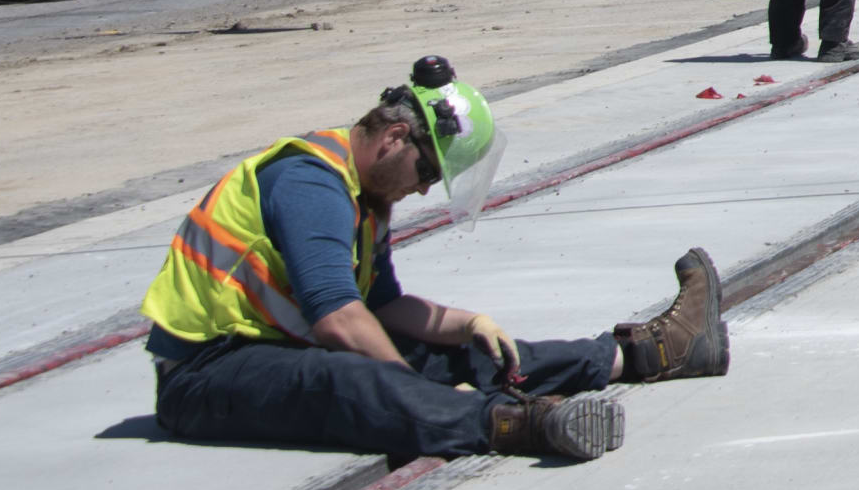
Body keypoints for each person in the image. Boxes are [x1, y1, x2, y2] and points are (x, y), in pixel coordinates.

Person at [139, 58, 727, 465]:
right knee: (356, 377)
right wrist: (406, 381)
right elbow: (337, 318)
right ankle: (513, 424)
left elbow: (383, 306)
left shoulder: (363, 197)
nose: (423, 191)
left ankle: (644, 353)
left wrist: (465, 326)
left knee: (468, 354)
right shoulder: (309, 183)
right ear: (396, 136)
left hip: (272, 349)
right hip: (205, 374)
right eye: (427, 172)